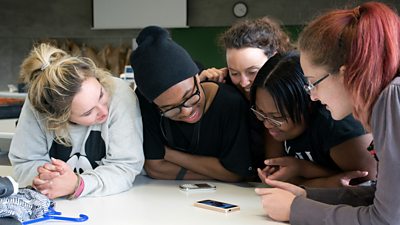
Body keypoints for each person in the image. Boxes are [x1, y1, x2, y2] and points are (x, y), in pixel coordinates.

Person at [255, 2, 400, 224]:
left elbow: (386, 219)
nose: (312, 97)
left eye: (313, 83)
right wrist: (306, 196)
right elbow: (380, 199)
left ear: (345, 74)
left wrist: (296, 210)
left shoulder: (392, 97)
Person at [8, 43, 144, 199]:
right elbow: (24, 163)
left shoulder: (119, 93)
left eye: (101, 94)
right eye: (88, 112)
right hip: (56, 205)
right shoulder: (38, 105)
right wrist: (49, 180)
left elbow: (125, 166)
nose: (103, 111)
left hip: (112, 201)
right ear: (59, 119)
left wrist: (78, 184)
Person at [130, 26, 253, 182]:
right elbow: (155, 168)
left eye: (190, 97)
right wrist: (218, 172)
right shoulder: (147, 104)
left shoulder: (229, 103)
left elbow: (235, 173)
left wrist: (169, 154)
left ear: (197, 76)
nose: (186, 112)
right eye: (171, 110)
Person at [251, 51, 376, 187]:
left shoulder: (338, 127)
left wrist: (303, 171)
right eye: (261, 113)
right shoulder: (273, 123)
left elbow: (366, 185)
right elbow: (278, 176)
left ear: (309, 103)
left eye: (277, 117)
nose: (268, 124)